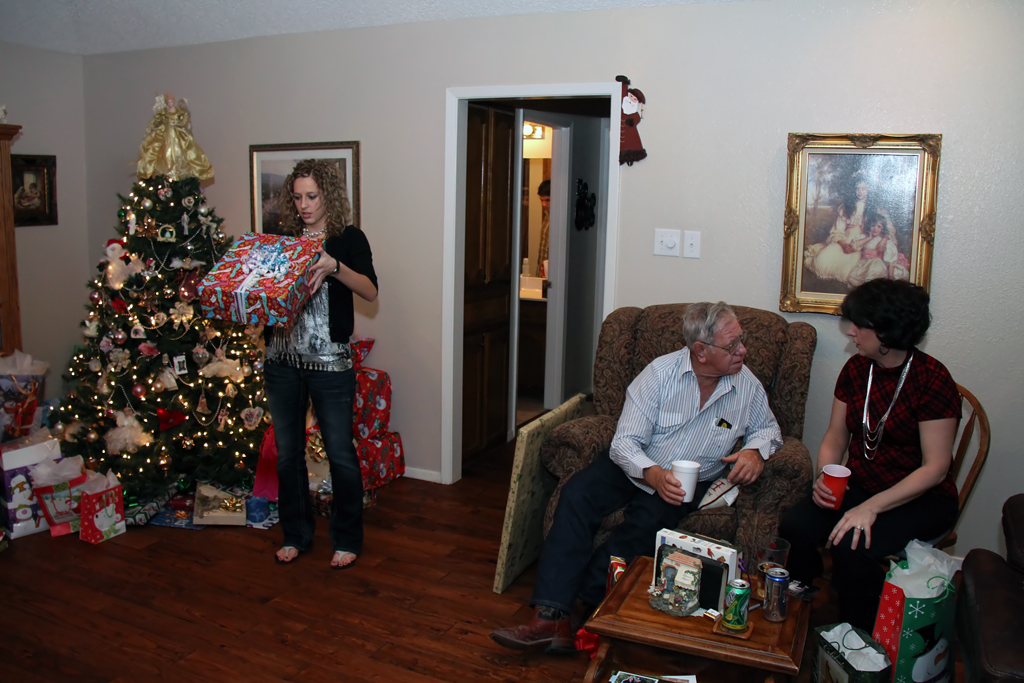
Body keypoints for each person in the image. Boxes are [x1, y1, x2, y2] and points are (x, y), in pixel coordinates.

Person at [490, 302, 782, 652]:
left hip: (687, 481)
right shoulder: (659, 375)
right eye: (732, 345)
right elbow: (625, 442)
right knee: (577, 495)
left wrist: (755, 451)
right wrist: (652, 474)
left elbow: (769, 430)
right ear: (701, 351)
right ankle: (549, 615)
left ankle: (580, 606)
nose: (743, 351)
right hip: (636, 464)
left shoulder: (746, 384)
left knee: (647, 524)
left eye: (741, 341)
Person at [779, 278, 960, 630]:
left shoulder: (932, 379)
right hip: (861, 485)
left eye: (859, 325)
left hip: (921, 497)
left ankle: (860, 635)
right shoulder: (857, 369)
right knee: (794, 526)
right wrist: (827, 475)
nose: (851, 332)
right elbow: (835, 435)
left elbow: (936, 468)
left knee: (852, 546)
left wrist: (871, 507)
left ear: (887, 331)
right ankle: (800, 607)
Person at [265, 159, 378, 569]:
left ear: (327, 194)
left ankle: (346, 539)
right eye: (297, 197)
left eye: (312, 196)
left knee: (340, 452)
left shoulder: (348, 238)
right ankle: (296, 534)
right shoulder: (282, 240)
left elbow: (370, 291)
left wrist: (335, 266)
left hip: (330, 362)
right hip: (281, 360)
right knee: (288, 454)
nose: (304, 205)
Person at [804, 173, 876, 284]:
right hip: (845, 239)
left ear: (869, 189)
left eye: (863, 189)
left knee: (849, 267)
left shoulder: (873, 208)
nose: (860, 192)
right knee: (823, 260)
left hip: (861, 242)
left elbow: (880, 227)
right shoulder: (847, 207)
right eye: (857, 189)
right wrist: (843, 244)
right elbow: (838, 229)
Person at [536, 179, 550, 277]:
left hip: (552, 273)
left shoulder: (559, 219)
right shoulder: (547, 217)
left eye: (547, 200)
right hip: (543, 271)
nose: (544, 204)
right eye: (542, 200)